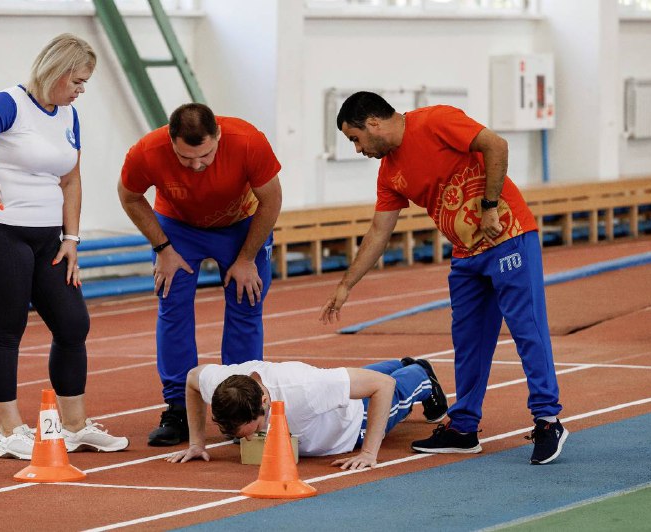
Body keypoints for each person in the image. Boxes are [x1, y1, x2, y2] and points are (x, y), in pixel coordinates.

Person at [320, 91, 567, 465]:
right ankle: (464, 428)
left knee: (527, 329)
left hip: (509, 236)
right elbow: (378, 233)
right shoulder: (389, 174)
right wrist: (346, 284)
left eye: (355, 138)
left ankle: (548, 420)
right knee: (467, 341)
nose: (357, 149)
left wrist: (488, 206)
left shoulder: (434, 121)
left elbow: (495, 145)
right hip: (467, 255)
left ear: (372, 124)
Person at [0, 33, 128, 460]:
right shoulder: (11, 104)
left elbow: (71, 179)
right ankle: (9, 431)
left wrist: (72, 238)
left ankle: (75, 426)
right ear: (57, 72)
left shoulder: (68, 115)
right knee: (6, 331)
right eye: (78, 80)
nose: (82, 89)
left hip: (49, 238)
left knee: (72, 324)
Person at [118, 103, 283, 446]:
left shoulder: (248, 141)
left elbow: (272, 201)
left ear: (218, 136)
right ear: (171, 140)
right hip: (178, 230)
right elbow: (130, 197)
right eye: (185, 157)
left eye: (205, 155)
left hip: (241, 227)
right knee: (172, 307)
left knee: (246, 302)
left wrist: (247, 258)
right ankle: (178, 406)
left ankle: (241, 404)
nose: (196, 166)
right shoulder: (147, 151)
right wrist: (163, 248)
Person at [165, 357, 447, 469]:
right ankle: (398, 362)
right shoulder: (220, 384)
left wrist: (369, 453)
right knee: (352, 379)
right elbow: (191, 378)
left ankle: (420, 373)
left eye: (252, 431)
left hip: (350, 422)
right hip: (326, 391)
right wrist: (196, 443)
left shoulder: (305, 389)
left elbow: (383, 387)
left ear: (264, 401)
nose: (248, 439)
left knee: (392, 387)